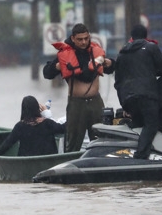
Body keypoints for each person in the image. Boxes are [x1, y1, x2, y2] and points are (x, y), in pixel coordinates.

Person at [43, 23, 115, 152]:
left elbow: (112, 68)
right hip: (76, 104)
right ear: (73, 38)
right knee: (73, 142)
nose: (83, 42)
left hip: (95, 102)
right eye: (80, 39)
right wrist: (58, 67)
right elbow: (47, 73)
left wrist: (109, 63)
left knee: (101, 139)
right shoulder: (65, 53)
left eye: (86, 38)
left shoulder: (95, 51)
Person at [114, 24, 162, 159]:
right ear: (146, 35)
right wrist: (150, 71)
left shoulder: (122, 53)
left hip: (127, 97)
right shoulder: (151, 48)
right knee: (151, 124)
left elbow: (118, 81)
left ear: (131, 37)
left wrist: (124, 103)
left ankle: (129, 150)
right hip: (146, 95)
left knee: (138, 123)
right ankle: (141, 155)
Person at [0, 96, 66, 157]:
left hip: (26, 161)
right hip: (49, 160)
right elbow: (63, 128)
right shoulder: (47, 123)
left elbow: (8, 143)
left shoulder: (20, 126)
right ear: (37, 108)